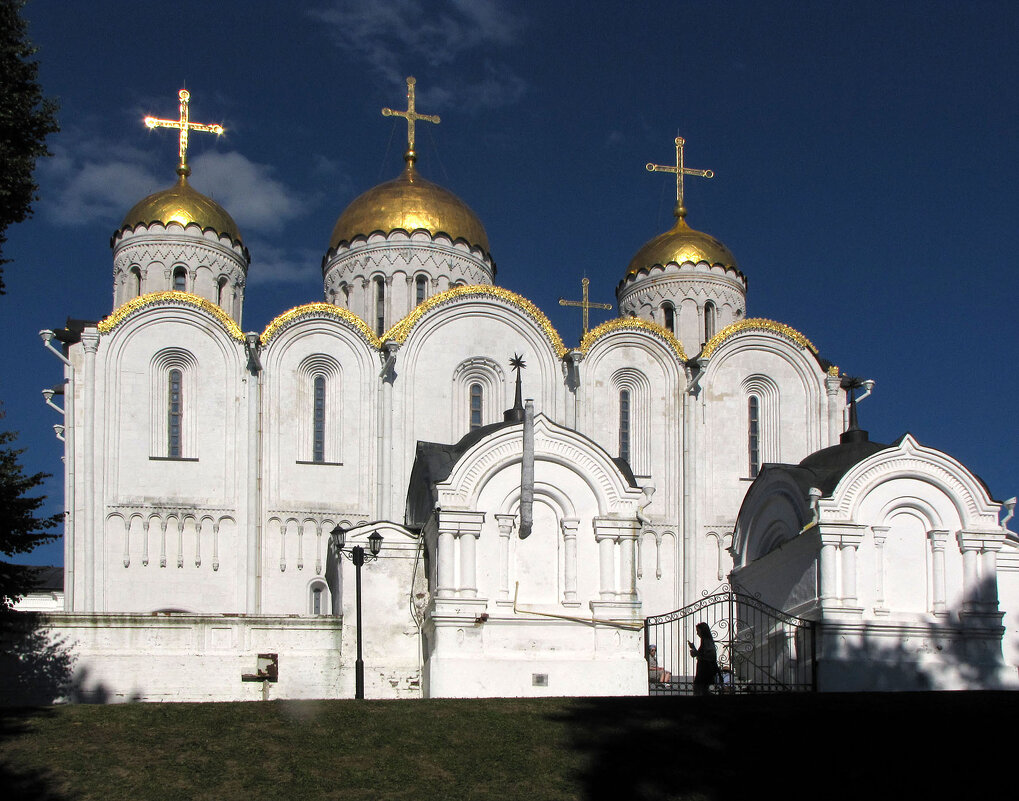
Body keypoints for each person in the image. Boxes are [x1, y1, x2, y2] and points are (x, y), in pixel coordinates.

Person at [688, 622, 718, 696]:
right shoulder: (705, 641)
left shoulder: (707, 641)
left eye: (698, 631)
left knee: (699, 689)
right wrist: (694, 648)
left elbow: (710, 655)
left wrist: (696, 653)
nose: (697, 633)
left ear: (703, 631)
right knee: (702, 689)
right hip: (703, 668)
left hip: (705, 669)